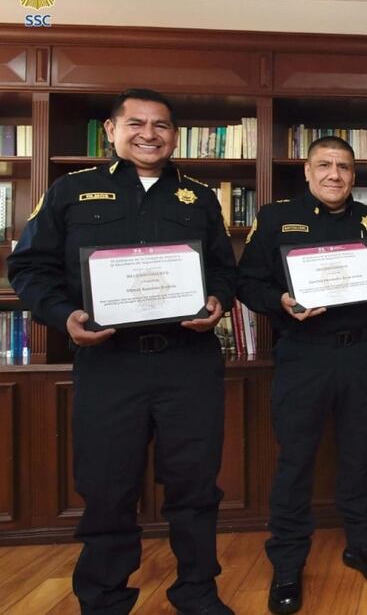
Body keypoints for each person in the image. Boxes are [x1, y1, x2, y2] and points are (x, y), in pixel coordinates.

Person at [7, 88, 236, 614]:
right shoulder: (70, 191)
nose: (149, 133)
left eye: (160, 124)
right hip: (110, 362)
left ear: (174, 136)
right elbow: (28, 267)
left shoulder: (199, 197)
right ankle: (104, 599)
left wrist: (218, 298)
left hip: (188, 362)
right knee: (107, 488)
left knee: (196, 488)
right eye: (136, 123)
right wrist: (64, 316)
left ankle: (197, 592)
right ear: (111, 131)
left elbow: (224, 267)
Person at [236, 136, 367, 613]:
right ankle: (287, 564)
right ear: (307, 172)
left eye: (343, 167)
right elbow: (247, 282)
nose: (334, 174)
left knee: (359, 455)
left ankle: (362, 544)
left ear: (353, 175)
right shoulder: (275, 216)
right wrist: (280, 302)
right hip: (303, 354)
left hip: (360, 357)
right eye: (324, 165)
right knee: (295, 463)